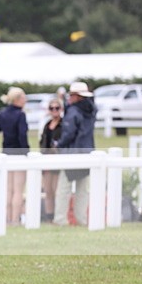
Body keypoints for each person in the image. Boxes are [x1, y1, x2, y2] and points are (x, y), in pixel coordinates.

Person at [53, 81, 96, 226]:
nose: (69, 98)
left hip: (72, 153)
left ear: (77, 96)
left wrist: (59, 145)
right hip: (87, 152)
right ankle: (81, 219)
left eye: (71, 95)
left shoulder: (73, 112)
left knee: (64, 188)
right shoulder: (91, 110)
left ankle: (60, 219)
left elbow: (69, 134)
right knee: (82, 190)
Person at [0, 86, 30, 225]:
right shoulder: (20, 115)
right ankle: (15, 219)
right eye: (24, 97)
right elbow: (22, 136)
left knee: (8, 189)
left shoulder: (3, 114)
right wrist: (26, 153)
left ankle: (7, 218)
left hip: (6, 154)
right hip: (18, 154)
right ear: (18, 99)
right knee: (18, 190)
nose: (25, 100)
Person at [39, 98, 64, 222]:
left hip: (58, 160)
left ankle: (58, 216)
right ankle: (49, 216)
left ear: (61, 109)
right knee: (48, 190)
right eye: (51, 108)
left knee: (56, 190)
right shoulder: (46, 125)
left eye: (57, 108)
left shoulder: (63, 125)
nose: (54, 110)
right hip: (46, 160)